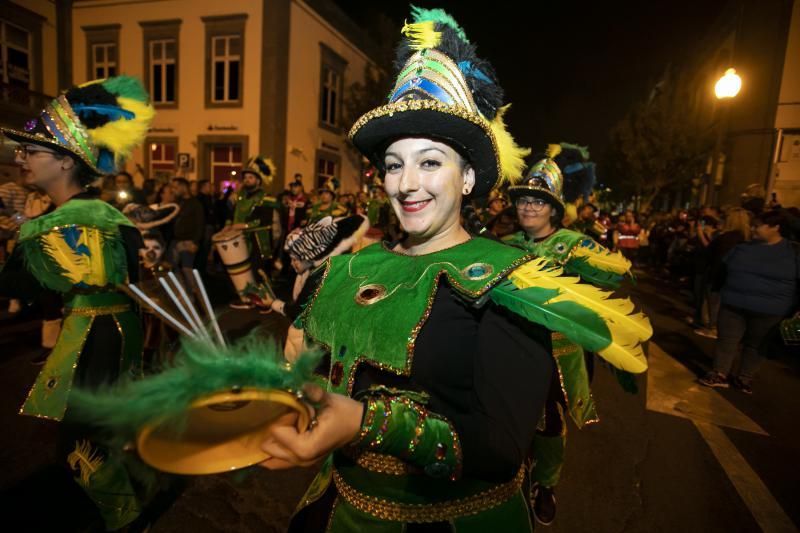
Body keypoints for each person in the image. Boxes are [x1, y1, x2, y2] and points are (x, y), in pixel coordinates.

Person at [259, 8, 650, 532]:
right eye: (395, 164)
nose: (407, 183)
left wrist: (363, 422)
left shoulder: (510, 280)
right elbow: (301, 367)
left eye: (430, 161)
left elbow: (500, 447)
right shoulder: (356, 264)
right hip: (339, 511)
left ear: (467, 178)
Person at [0, 75, 154, 530]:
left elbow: (22, 286)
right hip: (118, 330)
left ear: (67, 162)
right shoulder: (111, 215)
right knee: (104, 434)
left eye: (32, 150)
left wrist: (23, 231)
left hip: (93, 337)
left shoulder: (60, 223)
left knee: (80, 444)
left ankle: (125, 519)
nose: (20, 157)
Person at [503, 156, 635, 525]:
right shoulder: (505, 244)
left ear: (554, 210)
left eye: (539, 201)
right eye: (524, 199)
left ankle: (546, 483)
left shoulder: (575, 246)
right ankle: (511, 474)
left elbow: (616, 281)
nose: (528, 206)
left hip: (554, 354)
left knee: (548, 424)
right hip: (509, 349)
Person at [699, 210, 798, 394]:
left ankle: (744, 377)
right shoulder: (742, 247)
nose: (752, 229)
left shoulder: (792, 252)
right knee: (726, 340)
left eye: (758, 226)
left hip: (770, 310)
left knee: (756, 345)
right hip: (733, 305)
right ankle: (720, 373)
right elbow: (723, 269)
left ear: (776, 228)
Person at [221, 156, 280, 308]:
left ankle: (266, 302)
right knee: (241, 270)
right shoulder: (238, 196)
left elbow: (264, 220)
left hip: (257, 240)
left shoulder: (265, 198)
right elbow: (230, 213)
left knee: (257, 271)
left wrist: (244, 226)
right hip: (239, 239)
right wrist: (228, 225)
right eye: (245, 177)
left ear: (258, 181)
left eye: (251, 177)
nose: (247, 180)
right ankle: (248, 299)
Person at [169, 177, 205, 297]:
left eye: (175, 187)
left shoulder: (195, 204)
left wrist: (195, 242)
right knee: (173, 268)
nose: (173, 190)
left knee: (187, 269)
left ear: (183, 187)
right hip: (176, 241)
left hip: (188, 242)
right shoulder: (178, 202)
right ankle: (181, 295)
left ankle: (195, 296)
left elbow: (200, 224)